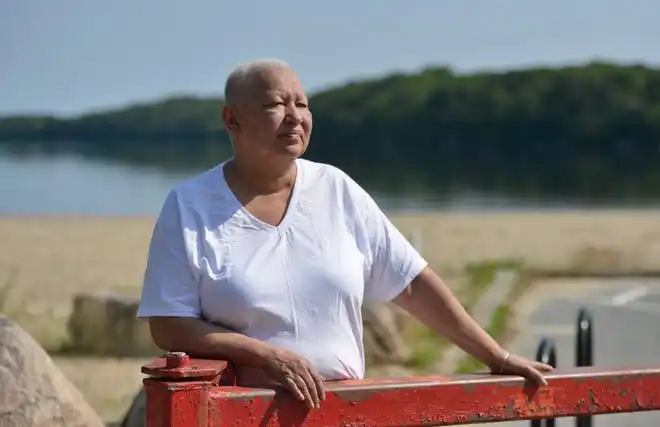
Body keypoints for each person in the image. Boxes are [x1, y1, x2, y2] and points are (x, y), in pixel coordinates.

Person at [137, 58, 553, 410]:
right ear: (232, 119)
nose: (295, 116)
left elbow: (411, 285)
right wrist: (263, 354)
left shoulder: (336, 189)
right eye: (275, 104)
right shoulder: (189, 205)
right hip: (244, 413)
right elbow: (168, 324)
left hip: (344, 410)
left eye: (302, 103)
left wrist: (495, 356)